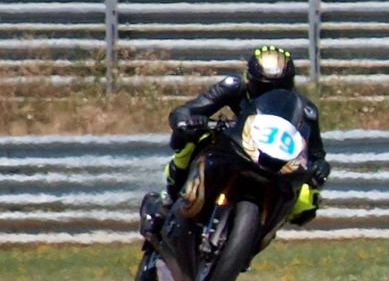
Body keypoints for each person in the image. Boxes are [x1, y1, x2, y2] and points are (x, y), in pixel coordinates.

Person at [139, 45, 331, 242]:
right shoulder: (234, 87)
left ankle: (260, 234)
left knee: (308, 198)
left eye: (278, 88)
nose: (270, 95)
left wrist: (320, 167)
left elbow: (316, 153)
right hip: (235, 145)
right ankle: (168, 200)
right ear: (250, 79)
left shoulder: (305, 109)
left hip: (274, 162)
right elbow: (188, 110)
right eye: (264, 88)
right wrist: (188, 121)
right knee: (192, 140)